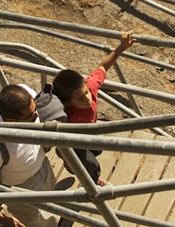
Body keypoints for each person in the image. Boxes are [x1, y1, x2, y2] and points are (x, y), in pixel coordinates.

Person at [0, 84, 59, 227]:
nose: (37, 116)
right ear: (10, 121)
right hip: (21, 191)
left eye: (35, 110)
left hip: (43, 168)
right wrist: (1, 219)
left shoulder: (24, 95)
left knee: (54, 202)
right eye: (31, 116)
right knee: (42, 225)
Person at [52, 31, 138, 185]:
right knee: (91, 165)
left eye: (85, 92)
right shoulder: (68, 119)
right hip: (73, 142)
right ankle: (93, 183)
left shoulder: (90, 86)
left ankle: (71, 163)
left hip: (89, 133)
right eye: (80, 98)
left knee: (98, 148)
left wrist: (122, 47)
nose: (88, 98)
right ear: (69, 102)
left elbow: (103, 66)